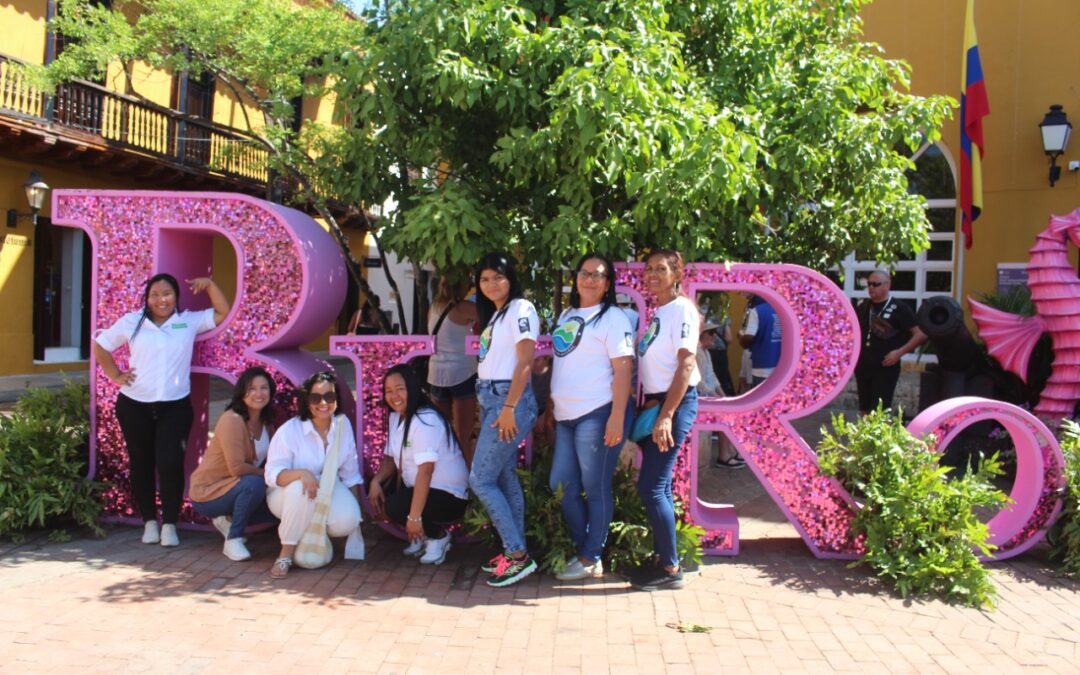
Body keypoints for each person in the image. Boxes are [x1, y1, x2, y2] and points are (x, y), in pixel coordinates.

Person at [93, 273, 230, 547]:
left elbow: (222, 312)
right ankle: (149, 522)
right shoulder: (132, 322)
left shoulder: (187, 321)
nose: (161, 300)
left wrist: (211, 286)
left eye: (166, 293)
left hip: (175, 406)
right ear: (147, 298)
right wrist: (116, 375)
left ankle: (169, 523)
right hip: (134, 405)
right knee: (141, 463)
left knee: (170, 463)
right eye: (154, 294)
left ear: (176, 296)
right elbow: (100, 345)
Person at [546, 253, 634, 581]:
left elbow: (623, 369)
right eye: (585, 273)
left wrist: (617, 416)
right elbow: (564, 363)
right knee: (561, 484)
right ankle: (588, 547)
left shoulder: (613, 318)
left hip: (597, 413)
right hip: (567, 416)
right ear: (576, 277)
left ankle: (589, 556)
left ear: (608, 283)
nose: (590, 279)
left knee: (594, 486)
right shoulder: (567, 314)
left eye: (599, 275)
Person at [469, 252, 540, 587]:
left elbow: (526, 361)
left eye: (498, 277)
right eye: (484, 279)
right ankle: (516, 551)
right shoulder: (497, 315)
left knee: (480, 480)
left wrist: (509, 408)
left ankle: (517, 555)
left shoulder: (521, 309)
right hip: (492, 399)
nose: (491, 284)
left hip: (506, 402)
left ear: (511, 277)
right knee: (505, 476)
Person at [631, 249, 700, 591]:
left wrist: (667, 416)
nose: (653, 274)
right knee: (659, 486)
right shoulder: (661, 312)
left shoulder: (682, 310)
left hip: (674, 405)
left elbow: (686, 364)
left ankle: (671, 569)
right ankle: (663, 558)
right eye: (649, 269)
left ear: (677, 274)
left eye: (661, 269)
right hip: (657, 405)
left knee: (651, 486)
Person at [264, 371, 363, 579]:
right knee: (300, 488)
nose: (323, 403)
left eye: (330, 396)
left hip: (326, 489)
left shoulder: (342, 427)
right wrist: (301, 474)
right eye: (316, 398)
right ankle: (286, 553)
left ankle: (311, 534)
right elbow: (272, 475)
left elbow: (350, 474)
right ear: (306, 401)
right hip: (285, 495)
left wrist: (358, 523)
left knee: (348, 519)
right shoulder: (290, 431)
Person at [368, 365, 470, 565]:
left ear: (412, 388)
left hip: (448, 495)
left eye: (400, 389)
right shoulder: (396, 416)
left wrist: (414, 518)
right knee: (383, 494)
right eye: (388, 391)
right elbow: (390, 458)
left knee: (396, 506)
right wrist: (376, 481)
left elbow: (426, 471)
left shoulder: (425, 419)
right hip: (421, 487)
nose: (394, 396)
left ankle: (438, 536)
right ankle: (420, 536)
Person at [189, 366, 277, 561]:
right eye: (252, 388)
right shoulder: (232, 420)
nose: (258, 393)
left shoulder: (267, 422)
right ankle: (233, 539)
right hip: (208, 492)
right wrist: (270, 475)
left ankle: (227, 519)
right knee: (255, 484)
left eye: (264, 388)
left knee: (279, 507)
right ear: (241, 392)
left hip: (236, 487)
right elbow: (236, 468)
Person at [854, 270, 927, 414]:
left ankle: (879, 436)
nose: (871, 287)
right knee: (864, 409)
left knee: (879, 411)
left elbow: (920, 335)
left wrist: (899, 353)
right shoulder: (863, 307)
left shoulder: (899, 308)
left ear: (887, 285)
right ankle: (865, 436)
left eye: (876, 284)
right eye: (869, 284)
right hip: (863, 366)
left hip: (885, 367)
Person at [427, 275, 479, 465]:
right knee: (462, 434)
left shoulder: (433, 308)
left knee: (441, 433)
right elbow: (492, 320)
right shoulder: (464, 307)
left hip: (436, 374)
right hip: (462, 373)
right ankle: (463, 481)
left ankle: (442, 477)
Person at [696, 323, 745, 470]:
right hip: (700, 398)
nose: (714, 336)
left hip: (708, 395)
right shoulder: (696, 352)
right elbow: (698, 381)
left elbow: (712, 376)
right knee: (724, 416)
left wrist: (723, 397)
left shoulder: (705, 352)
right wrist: (716, 398)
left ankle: (730, 450)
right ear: (701, 334)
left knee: (729, 411)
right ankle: (724, 455)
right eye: (711, 332)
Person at [739, 295, 782, 387]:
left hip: (762, 366)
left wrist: (741, 341)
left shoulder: (758, 310)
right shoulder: (785, 309)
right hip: (782, 365)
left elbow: (749, 336)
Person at [706, 315, 736, 396]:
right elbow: (728, 338)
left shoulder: (700, 313)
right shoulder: (723, 315)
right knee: (722, 380)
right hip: (720, 354)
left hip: (705, 349)